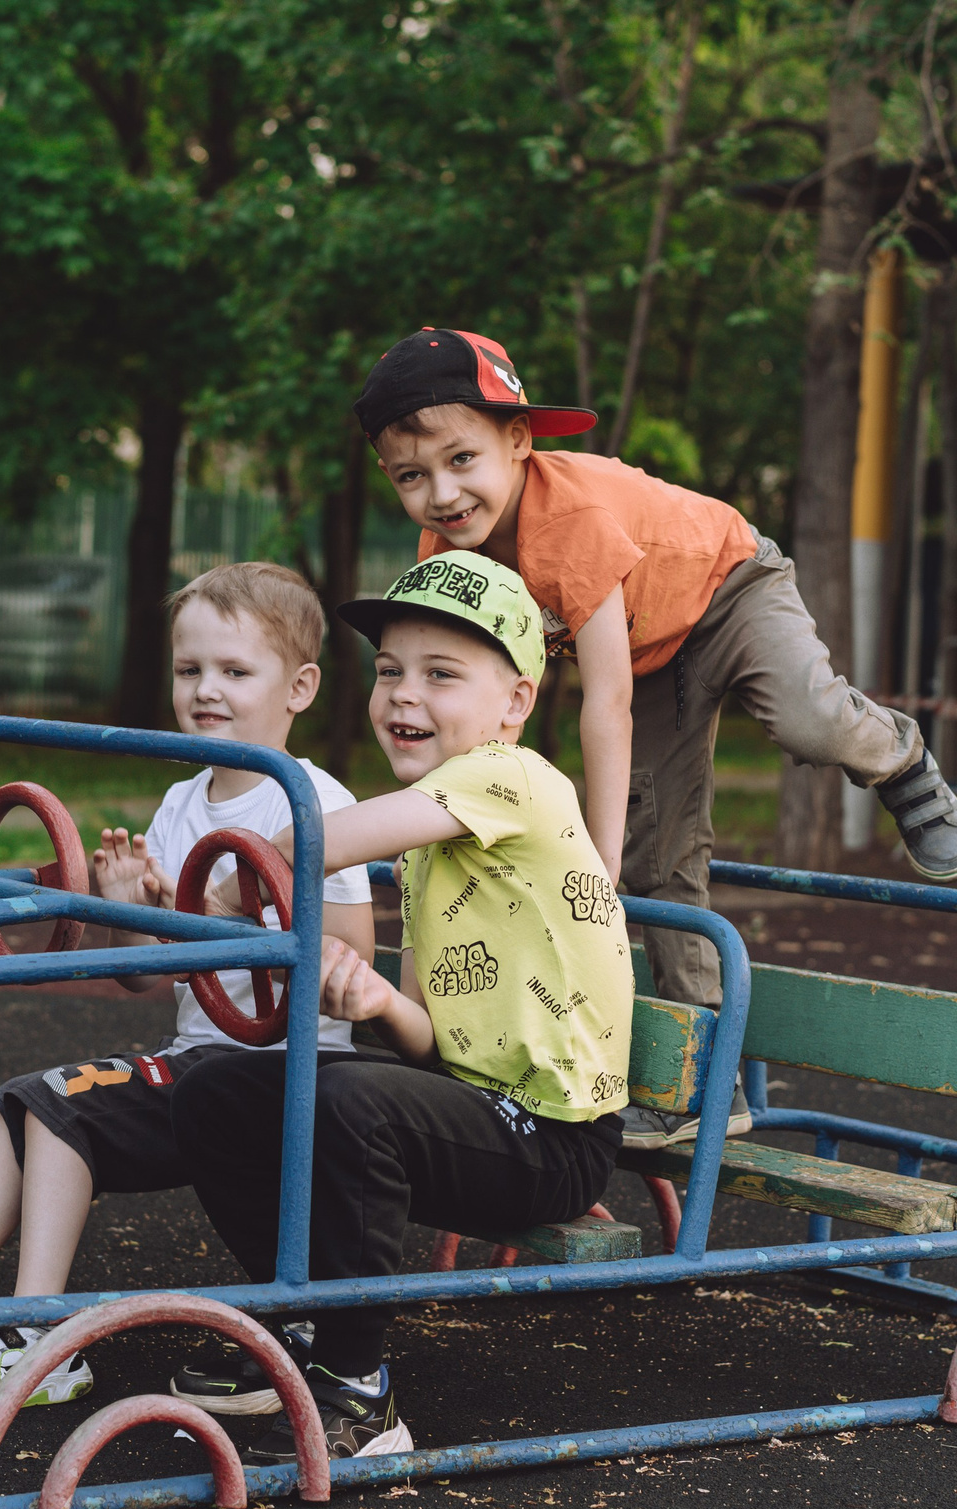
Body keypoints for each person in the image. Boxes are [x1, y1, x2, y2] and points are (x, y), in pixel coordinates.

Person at [0, 561, 376, 1409]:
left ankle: (44, 1337)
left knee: (62, 1104)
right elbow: (143, 974)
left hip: (291, 1071)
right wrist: (124, 906)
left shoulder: (318, 802)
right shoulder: (182, 800)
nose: (206, 690)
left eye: (234, 672)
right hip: (200, 1058)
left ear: (301, 687)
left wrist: (226, 911)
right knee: (22, 1103)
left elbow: (346, 961)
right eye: (189, 670)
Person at [350, 327, 957, 1031]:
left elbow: (607, 701)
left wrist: (597, 860)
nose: (443, 493)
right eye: (412, 475)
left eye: (462, 458)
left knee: (808, 718)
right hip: (649, 652)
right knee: (661, 856)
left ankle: (899, 759)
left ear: (520, 439)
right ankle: (703, 1065)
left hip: (730, 587)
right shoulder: (445, 551)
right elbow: (463, 704)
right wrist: (425, 833)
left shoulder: (568, 521)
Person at [165, 552, 634, 1463]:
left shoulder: (515, 777)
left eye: (441, 674)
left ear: (516, 703)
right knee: (215, 1092)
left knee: (350, 1100)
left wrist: (225, 890)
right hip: (475, 1110)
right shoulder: (427, 853)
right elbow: (425, 1042)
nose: (403, 696)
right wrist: (378, 998)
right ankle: (295, 1327)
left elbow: (306, 837)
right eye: (389, 672)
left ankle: (361, 1396)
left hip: (554, 1135)